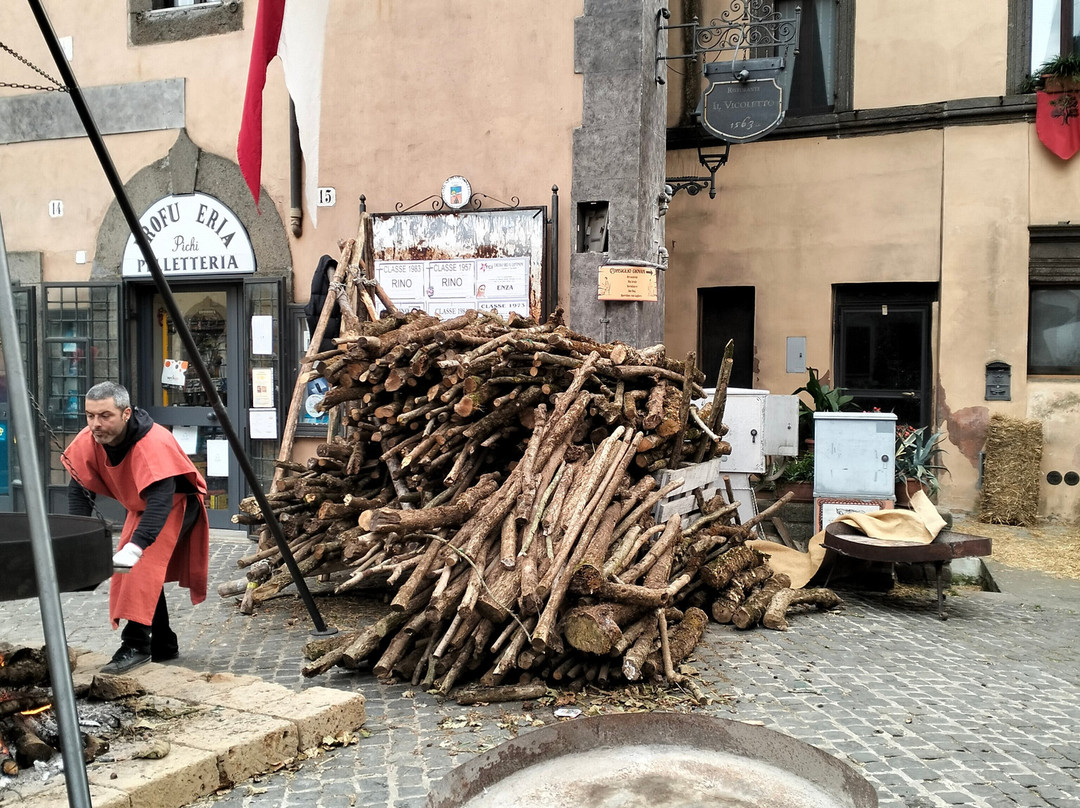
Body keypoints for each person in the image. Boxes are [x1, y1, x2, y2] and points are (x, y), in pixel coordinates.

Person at [63, 382, 210, 675]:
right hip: (141, 506)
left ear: (126, 413)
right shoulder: (90, 438)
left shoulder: (153, 443)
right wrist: (76, 540)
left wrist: (136, 546)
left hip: (174, 504)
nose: (96, 424)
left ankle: (135, 646)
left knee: (139, 568)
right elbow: (79, 491)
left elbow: (159, 503)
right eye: (90, 416)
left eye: (105, 415)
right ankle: (164, 642)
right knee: (139, 571)